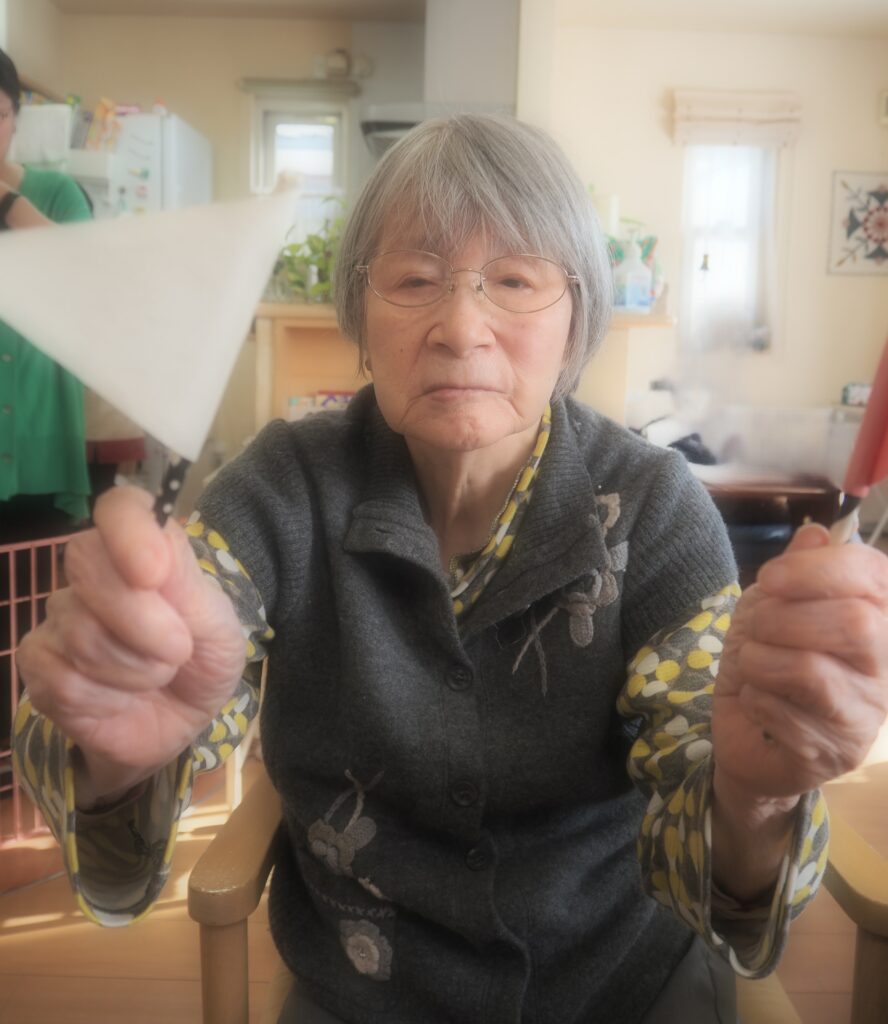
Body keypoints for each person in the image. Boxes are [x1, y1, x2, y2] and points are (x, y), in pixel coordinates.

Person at [13, 115, 888, 1023]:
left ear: (576, 321)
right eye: (415, 280)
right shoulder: (284, 486)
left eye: (514, 281)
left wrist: (754, 796)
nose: (462, 328)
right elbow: (166, 657)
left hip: (622, 986)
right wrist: (114, 749)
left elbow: (718, 843)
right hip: (362, 997)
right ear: (360, 318)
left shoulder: (653, 505)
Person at [0, 45, 92, 542]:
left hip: (42, 446)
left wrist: (6, 201)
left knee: (35, 585)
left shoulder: (58, 193)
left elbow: (80, 275)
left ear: (16, 118)